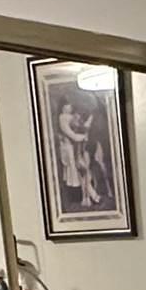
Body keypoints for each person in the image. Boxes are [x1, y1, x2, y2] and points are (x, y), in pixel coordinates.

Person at [52, 87, 116, 219]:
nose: (69, 107)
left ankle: (92, 197)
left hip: (78, 148)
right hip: (71, 150)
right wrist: (82, 136)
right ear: (64, 106)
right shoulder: (63, 118)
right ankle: (93, 197)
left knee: (84, 174)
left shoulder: (73, 117)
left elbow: (82, 128)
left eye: (70, 105)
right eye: (67, 105)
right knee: (83, 173)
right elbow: (72, 134)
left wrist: (89, 121)